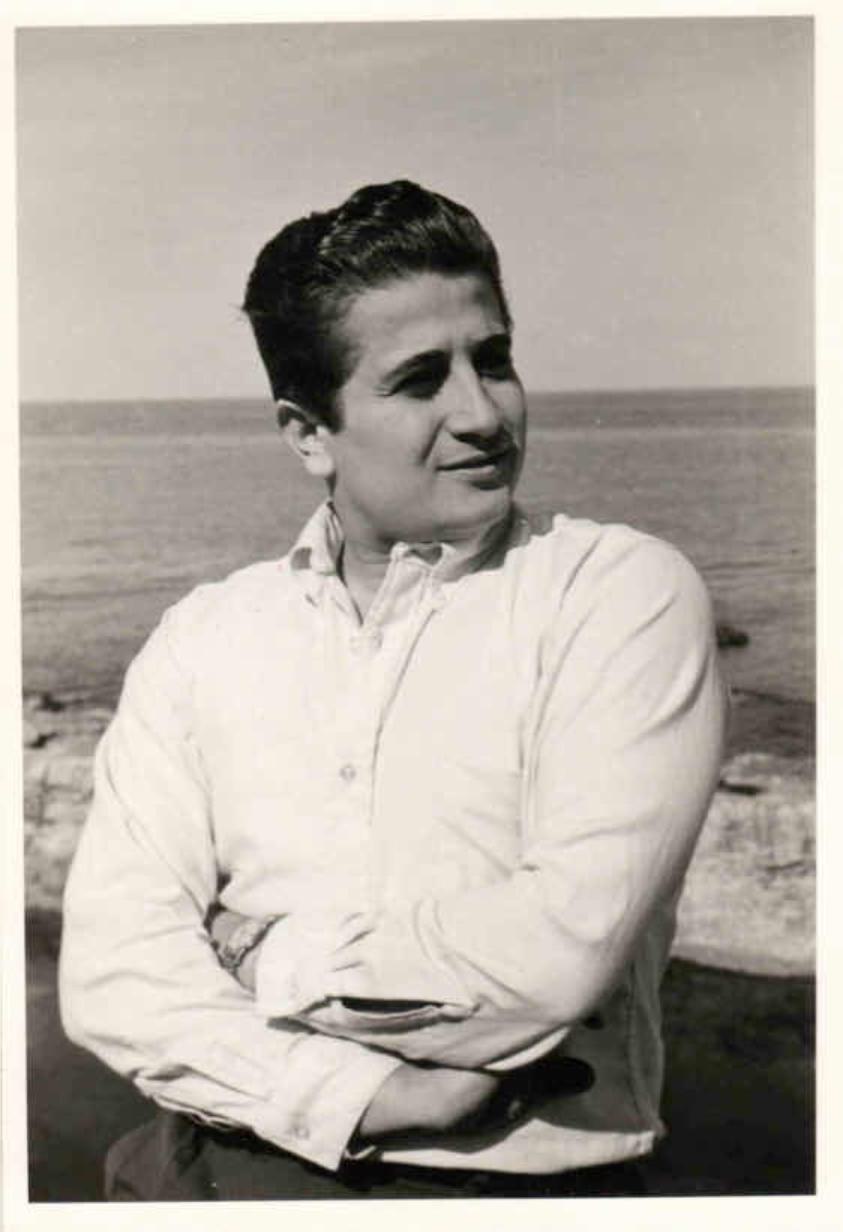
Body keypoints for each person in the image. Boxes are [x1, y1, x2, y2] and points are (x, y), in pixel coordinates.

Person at [59, 180, 728, 1201]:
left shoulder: (615, 593)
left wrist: (267, 956)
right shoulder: (205, 637)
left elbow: (558, 955)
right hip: (195, 1175)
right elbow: (112, 973)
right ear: (307, 433)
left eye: (493, 359)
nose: (483, 412)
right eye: (420, 380)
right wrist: (369, 1094)